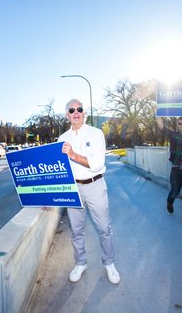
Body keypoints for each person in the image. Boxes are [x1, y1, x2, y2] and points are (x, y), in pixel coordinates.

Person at [58, 99, 120, 284]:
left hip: (95, 185)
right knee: (76, 231)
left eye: (79, 109)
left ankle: (109, 263)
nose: (76, 112)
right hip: (73, 188)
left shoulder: (96, 133)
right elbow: (59, 170)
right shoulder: (62, 139)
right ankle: (80, 263)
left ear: (84, 113)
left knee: (104, 228)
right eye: (72, 110)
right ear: (67, 115)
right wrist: (48, 197)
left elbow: (97, 163)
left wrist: (73, 155)